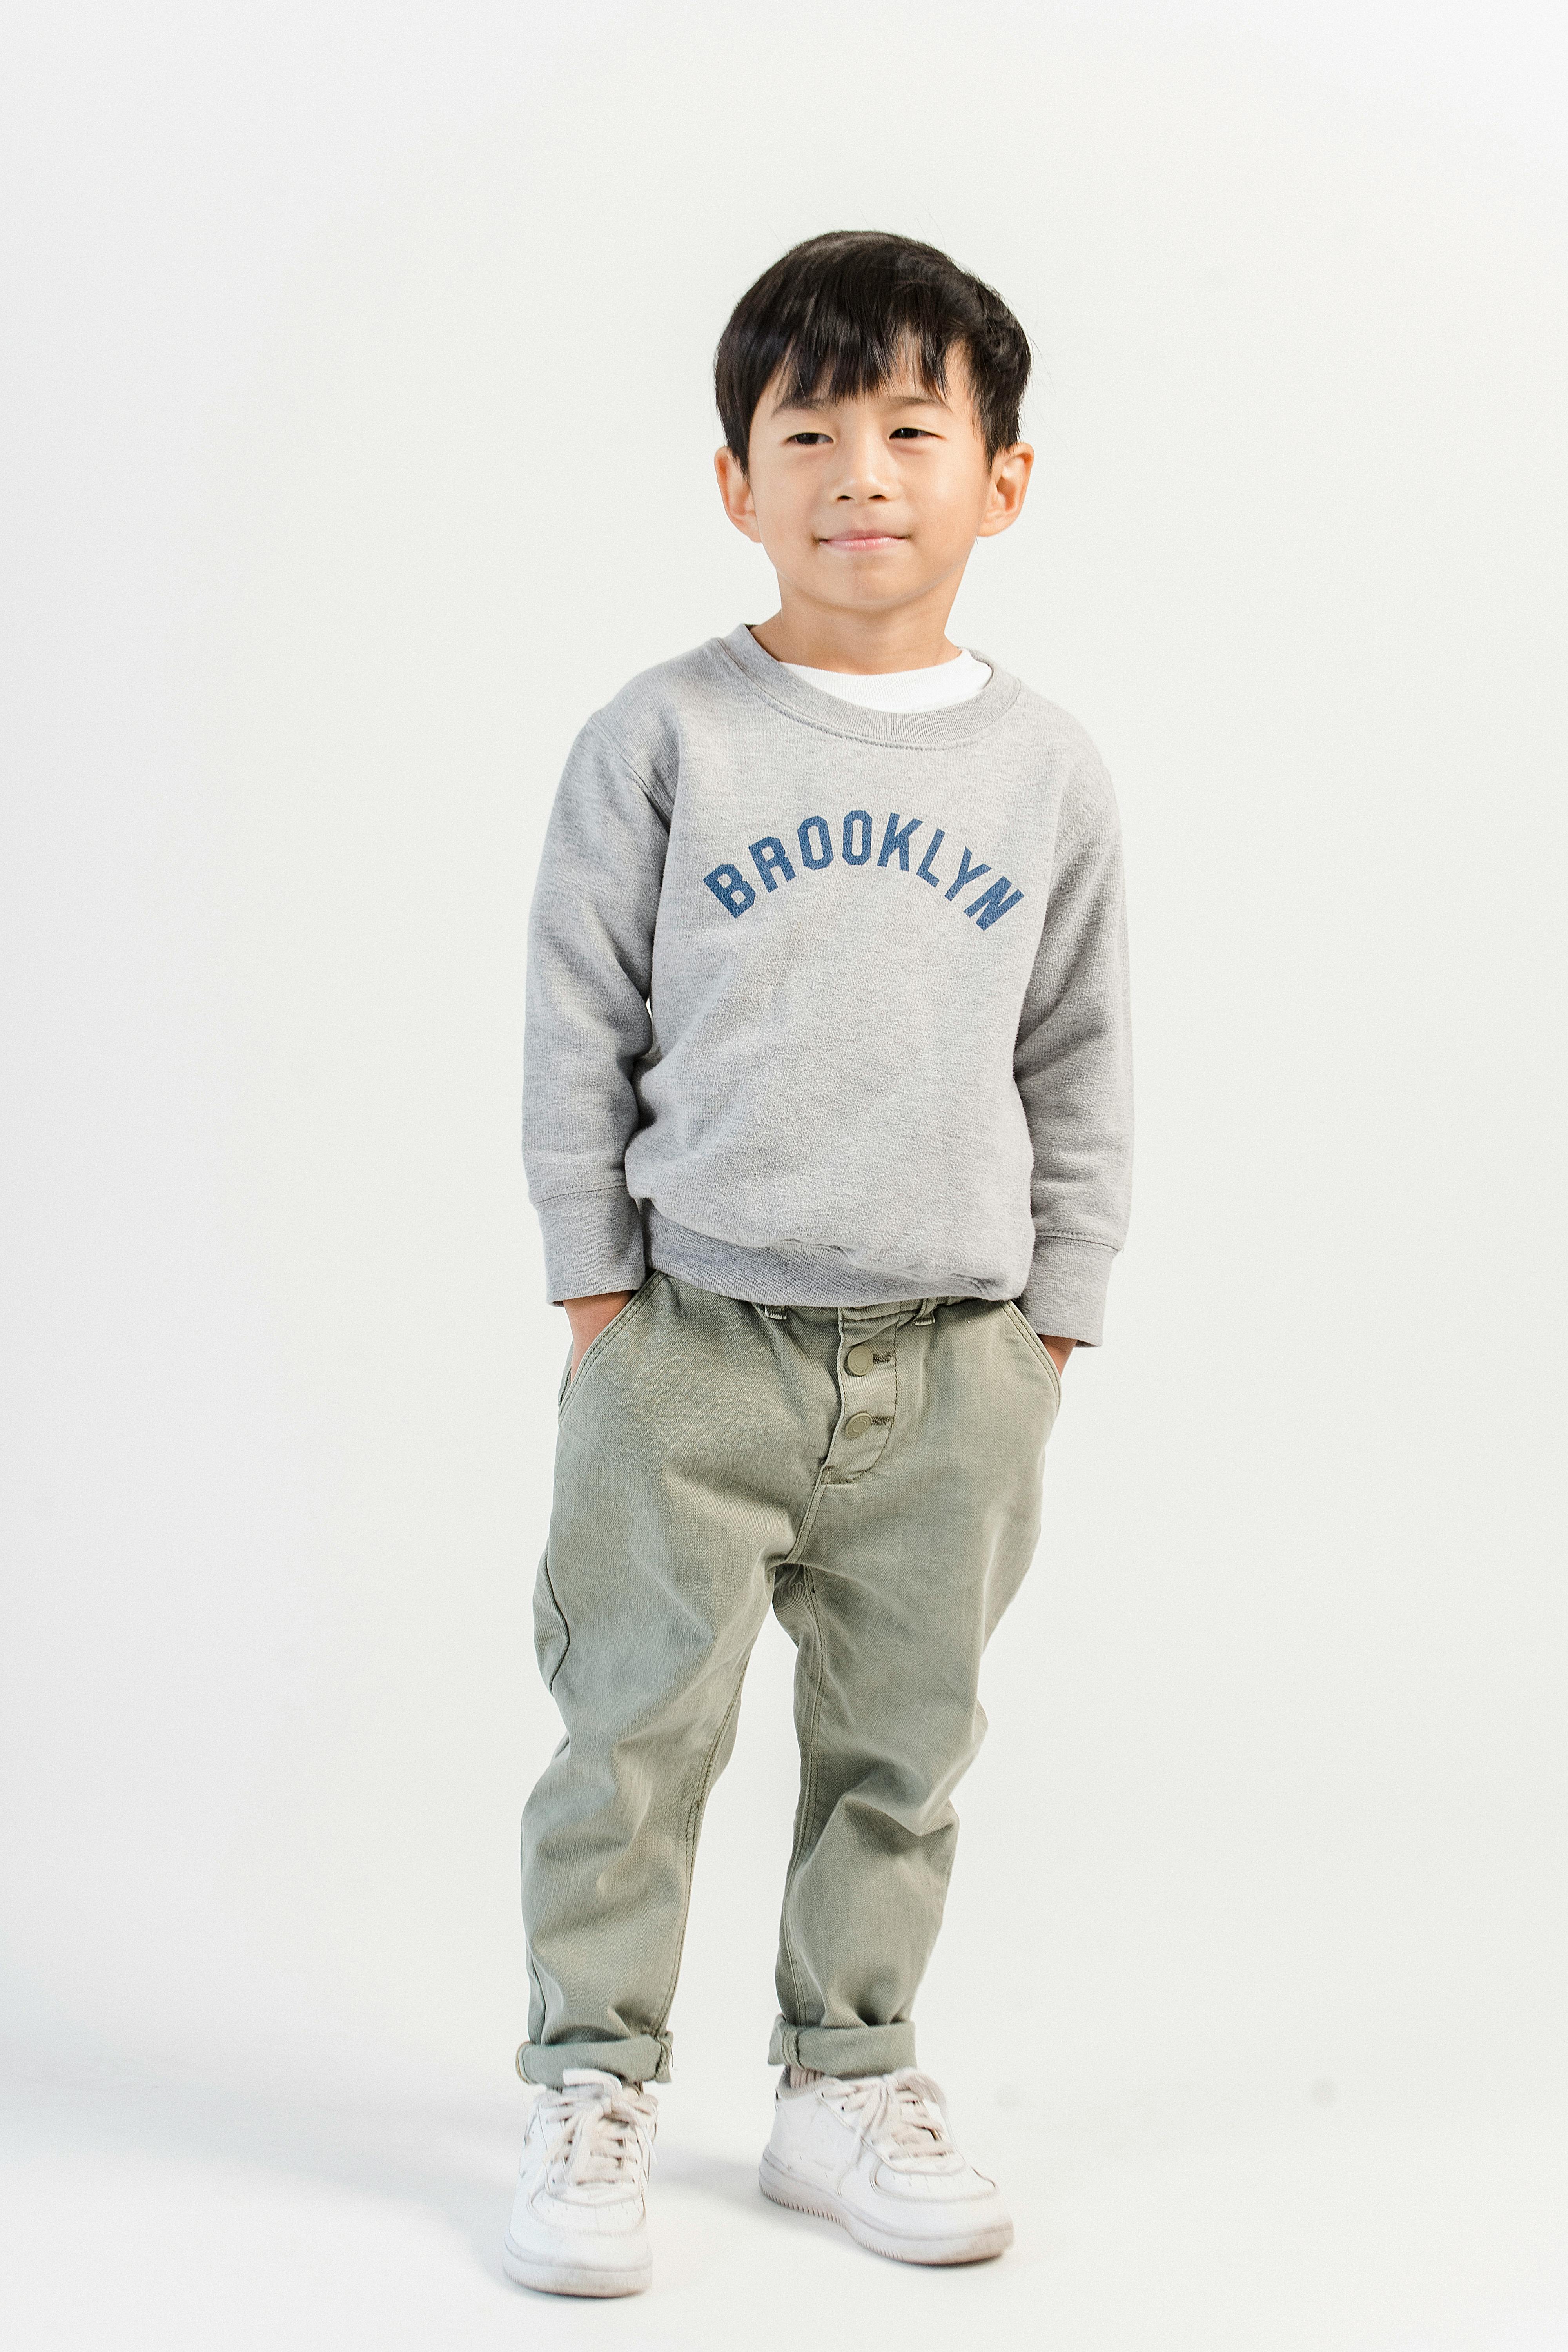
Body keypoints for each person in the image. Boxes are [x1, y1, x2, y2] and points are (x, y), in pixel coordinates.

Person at [504, 229, 1133, 2298]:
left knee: (906, 1740)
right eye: (811, 432)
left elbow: (1078, 1043)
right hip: (694, 1343)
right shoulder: (669, 735)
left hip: (954, 1362)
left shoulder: (1043, 769)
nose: (863, 471)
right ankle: (589, 2080)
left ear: (1003, 480)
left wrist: (1056, 1313)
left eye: (912, 427)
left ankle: (845, 2079)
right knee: (632, 1731)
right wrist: (598, 1291)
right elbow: (578, 1016)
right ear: (736, 483)